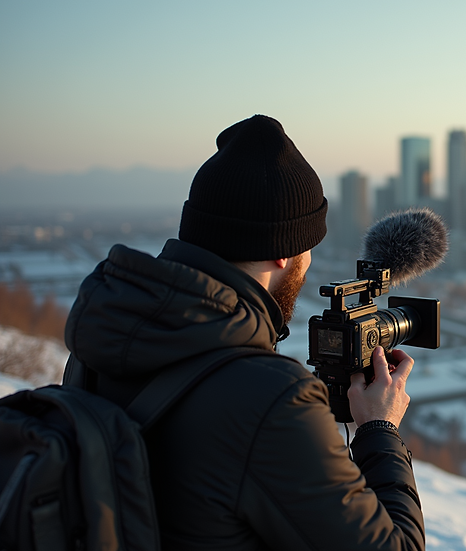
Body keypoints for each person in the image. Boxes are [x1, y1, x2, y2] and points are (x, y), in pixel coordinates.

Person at [62, 115, 424, 550]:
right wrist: (380, 427)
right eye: (307, 247)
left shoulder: (101, 340)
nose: (307, 262)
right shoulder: (271, 400)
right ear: (281, 253)